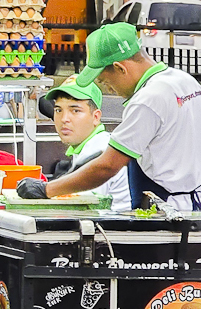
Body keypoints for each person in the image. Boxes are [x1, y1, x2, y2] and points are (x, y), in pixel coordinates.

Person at [17, 22, 201, 210]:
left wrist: (47, 189)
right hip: (199, 204)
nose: (109, 88)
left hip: (167, 211)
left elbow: (107, 167)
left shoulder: (147, 99)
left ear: (120, 68)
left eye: (105, 81)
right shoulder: (185, 81)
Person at [41, 80, 132, 211]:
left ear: (96, 117)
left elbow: (78, 207)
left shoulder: (99, 150)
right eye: (58, 110)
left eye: (75, 111)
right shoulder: (88, 146)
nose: (64, 119)